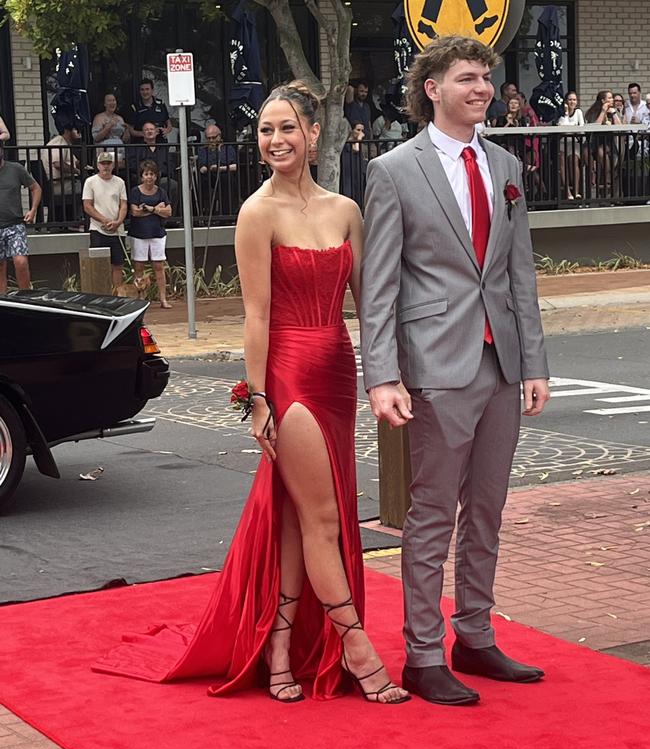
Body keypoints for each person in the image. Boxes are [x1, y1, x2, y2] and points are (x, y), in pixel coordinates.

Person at [94, 80, 410, 706]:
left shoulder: (346, 210)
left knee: (300, 515)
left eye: (287, 128)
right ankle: (355, 644)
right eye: (266, 130)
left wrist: (387, 371)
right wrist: (258, 399)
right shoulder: (255, 213)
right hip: (289, 376)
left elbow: (372, 307)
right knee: (322, 517)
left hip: (337, 372)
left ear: (314, 134)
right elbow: (257, 316)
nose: (276, 140)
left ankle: (282, 645)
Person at [360, 35, 550, 707]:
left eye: (486, 78)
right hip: (435, 369)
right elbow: (377, 285)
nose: (482, 88)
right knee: (433, 512)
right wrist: (382, 376)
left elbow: (517, 271)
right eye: (468, 77)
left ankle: (475, 634)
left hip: (501, 364)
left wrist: (534, 361)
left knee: (489, 509)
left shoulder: (504, 164)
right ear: (432, 88)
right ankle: (421, 653)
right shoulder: (392, 170)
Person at [128, 159, 172, 308]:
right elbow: (135, 212)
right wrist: (156, 209)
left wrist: (150, 209)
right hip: (139, 234)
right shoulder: (135, 191)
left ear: (156, 176)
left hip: (157, 233)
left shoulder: (161, 192)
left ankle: (163, 299)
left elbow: (168, 212)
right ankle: (139, 299)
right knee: (139, 266)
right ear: (142, 176)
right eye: (146, 174)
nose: (149, 177)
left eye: (152, 174)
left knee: (159, 266)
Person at [81, 152, 128, 289]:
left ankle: (118, 296)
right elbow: (87, 206)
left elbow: (123, 204)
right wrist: (104, 220)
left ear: (113, 165)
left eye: (108, 163)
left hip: (117, 230)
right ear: (98, 165)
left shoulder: (120, 182)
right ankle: (101, 294)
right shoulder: (90, 182)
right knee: (98, 263)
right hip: (97, 229)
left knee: (118, 264)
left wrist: (118, 221)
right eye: (103, 163)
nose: (106, 166)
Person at [0, 143, 41, 292]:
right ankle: (3, 304)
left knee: (21, 261)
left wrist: (33, 210)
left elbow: (35, 188)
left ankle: (26, 298)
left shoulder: (15, 169)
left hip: (15, 224)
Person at [129, 121, 178, 212]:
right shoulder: (136, 148)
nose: (149, 131)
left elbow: (170, 165)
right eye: (146, 130)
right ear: (143, 133)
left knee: (173, 185)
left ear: (156, 132)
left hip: (161, 178)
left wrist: (159, 173)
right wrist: (144, 173)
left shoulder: (163, 148)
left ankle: (169, 216)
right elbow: (132, 164)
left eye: (151, 129)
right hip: (143, 179)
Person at [585, 90, 621, 197]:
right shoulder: (594, 111)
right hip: (595, 143)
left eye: (612, 98)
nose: (612, 100)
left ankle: (606, 179)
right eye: (609, 98)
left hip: (609, 144)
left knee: (602, 151)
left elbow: (621, 127)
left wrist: (613, 113)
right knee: (598, 151)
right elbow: (596, 126)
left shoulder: (613, 111)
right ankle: (602, 178)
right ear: (603, 100)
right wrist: (602, 112)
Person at [197, 124, 237, 215]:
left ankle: (226, 213)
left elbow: (235, 166)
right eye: (208, 138)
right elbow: (202, 167)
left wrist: (220, 168)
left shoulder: (227, 148)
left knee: (228, 180)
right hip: (209, 176)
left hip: (224, 174)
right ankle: (206, 213)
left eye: (213, 138)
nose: (211, 140)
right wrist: (206, 168)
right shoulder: (202, 150)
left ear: (219, 136)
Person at [557, 91, 585, 200]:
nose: (572, 102)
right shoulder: (561, 113)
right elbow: (562, 128)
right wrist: (566, 114)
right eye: (570, 99)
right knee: (562, 161)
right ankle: (568, 192)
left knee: (574, 160)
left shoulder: (578, 112)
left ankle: (577, 191)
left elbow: (581, 129)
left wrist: (569, 129)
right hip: (563, 142)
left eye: (574, 100)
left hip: (574, 142)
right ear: (565, 101)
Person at [91, 93, 130, 163]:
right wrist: (109, 126)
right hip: (105, 153)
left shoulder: (120, 118)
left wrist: (127, 130)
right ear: (104, 104)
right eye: (109, 101)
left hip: (119, 152)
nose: (112, 103)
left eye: (114, 100)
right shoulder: (99, 118)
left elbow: (125, 140)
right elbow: (96, 137)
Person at [340, 122, 368, 204]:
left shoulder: (359, 143)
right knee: (348, 190)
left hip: (357, 168)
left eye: (362, 130)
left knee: (358, 190)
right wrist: (359, 139)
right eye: (358, 130)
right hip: (348, 168)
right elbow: (356, 149)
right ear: (352, 130)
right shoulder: (347, 142)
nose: (360, 132)